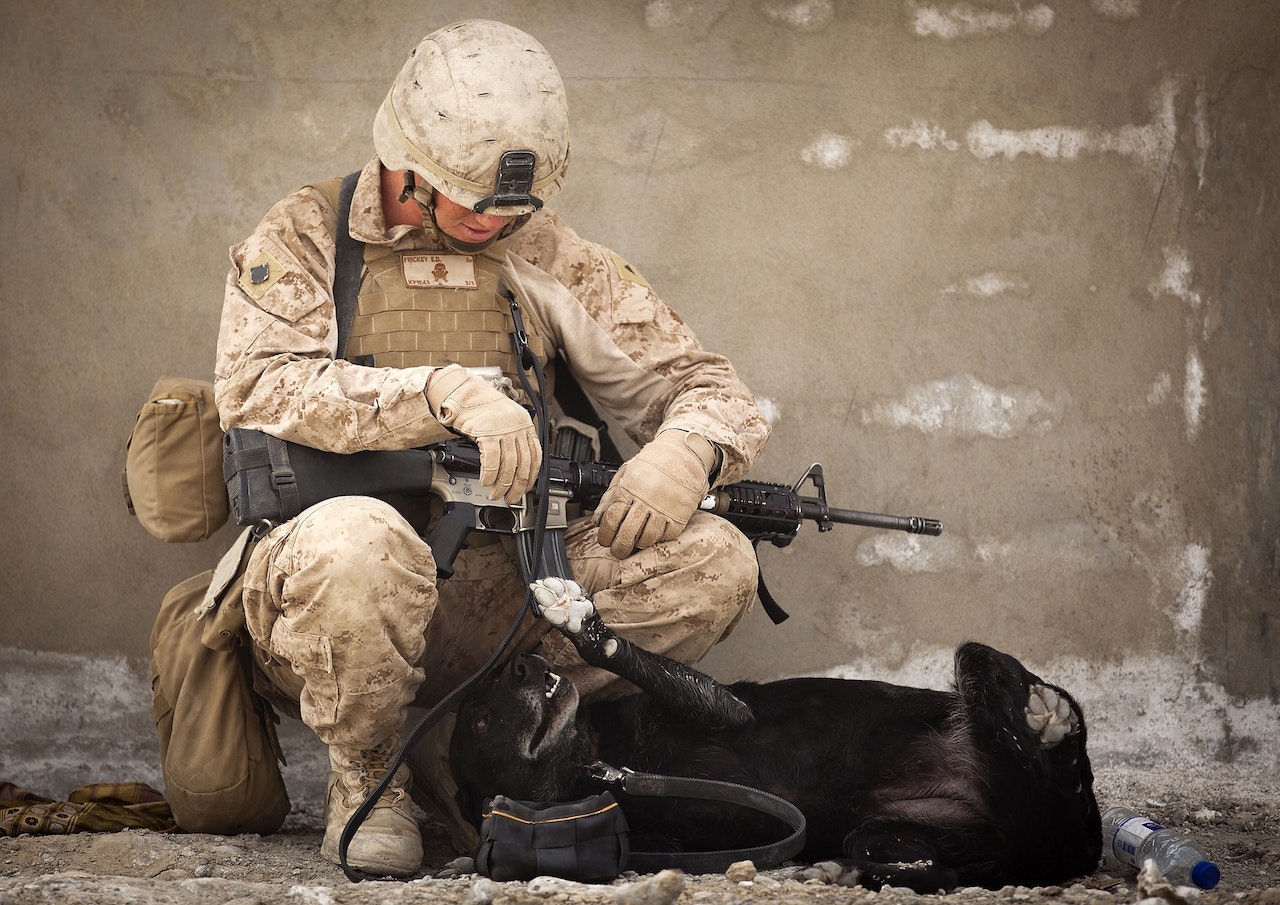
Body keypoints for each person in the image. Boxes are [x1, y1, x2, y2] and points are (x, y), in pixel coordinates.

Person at [212, 19, 770, 878]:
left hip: (503, 586)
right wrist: (437, 395)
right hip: (329, 592)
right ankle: (369, 775)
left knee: (715, 561)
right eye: (478, 202)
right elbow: (255, 386)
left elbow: (703, 383)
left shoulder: (540, 249)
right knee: (361, 540)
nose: (499, 222)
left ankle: (461, 743)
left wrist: (688, 449)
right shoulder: (306, 235)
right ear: (409, 167)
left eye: (519, 205)